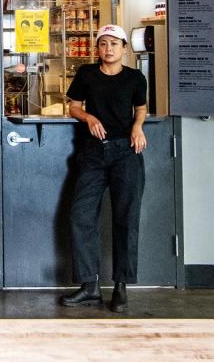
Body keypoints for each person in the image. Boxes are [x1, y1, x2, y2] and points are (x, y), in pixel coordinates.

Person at [60, 24, 147, 314]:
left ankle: (121, 286)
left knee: (126, 217)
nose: (108, 49)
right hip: (93, 152)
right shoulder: (86, 74)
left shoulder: (135, 77)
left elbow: (141, 107)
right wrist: (88, 118)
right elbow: (73, 106)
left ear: (124, 48)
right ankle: (89, 285)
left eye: (113, 44)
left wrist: (137, 127)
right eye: (103, 44)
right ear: (97, 48)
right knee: (80, 215)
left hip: (126, 152)